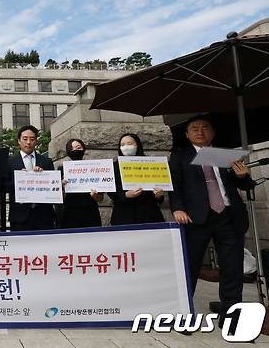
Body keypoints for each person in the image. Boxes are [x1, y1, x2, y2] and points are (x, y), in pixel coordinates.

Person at [169, 116, 253, 328]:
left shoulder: (225, 155)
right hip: (196, 218)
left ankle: (231, 315)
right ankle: (184, 314)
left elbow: (245, 185)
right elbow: (175, 185)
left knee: (232, 267)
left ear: (213, 132)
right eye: (194, 129)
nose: (200, 131)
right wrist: (177, 208)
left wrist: (242, 176)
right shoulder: (180, 156)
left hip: (228, 215)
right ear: (187, 134)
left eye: (205, 128)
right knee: (191, 266)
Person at [6, 125, 57, 231]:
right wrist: (20, 179)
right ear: (19, 141)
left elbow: (53, 186)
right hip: (20, 217)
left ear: (36, 141)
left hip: (44, 216)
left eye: (32, 139)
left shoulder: (46, 161)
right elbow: (3, 186)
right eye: (25, 139)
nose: (28, 142)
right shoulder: (9, 162)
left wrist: (42, 177)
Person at [108, 133, 165, 225]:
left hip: (149, 215)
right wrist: (125, 195)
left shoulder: (151, 164)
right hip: (123, 215)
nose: (126, 147)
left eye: (129, 143)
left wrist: (158, 195)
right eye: (122, 145)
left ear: (137, 145)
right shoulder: (113, 167)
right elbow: (110, 191)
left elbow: (158, 192)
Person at [60, 138, 103, 228]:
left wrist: (95, 196)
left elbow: (100, 198)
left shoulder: (93, 168)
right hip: (70, 211)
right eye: (72, 149)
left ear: (83, 149)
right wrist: (61, 185)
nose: (75, 150)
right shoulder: (62, 169)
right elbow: (56, 193)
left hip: (90, 210)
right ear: (68, 152)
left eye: (78, 147)